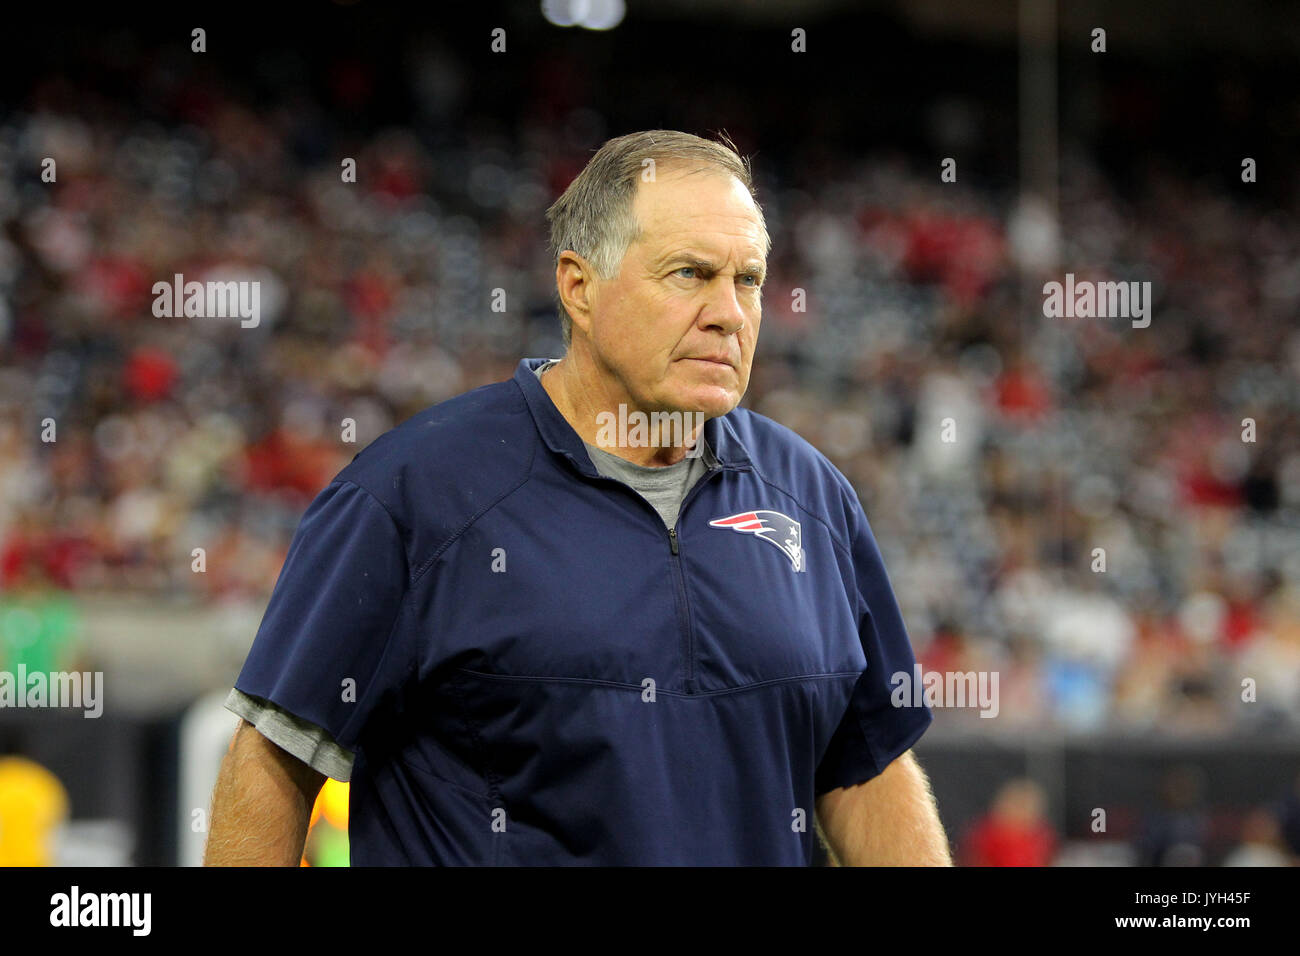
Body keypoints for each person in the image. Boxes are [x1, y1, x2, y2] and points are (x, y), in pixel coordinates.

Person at [204, 129, 951, 866]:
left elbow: (867, 770)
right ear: (579, 286)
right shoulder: (413, 495)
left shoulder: (813, 499)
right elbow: (275, 761)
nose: (730, 312)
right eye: (690, 273)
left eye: (748, 279)